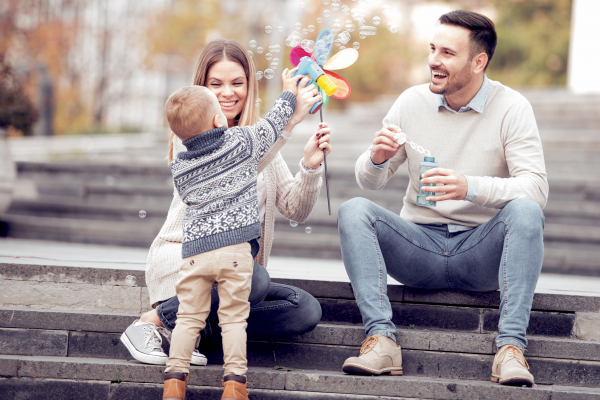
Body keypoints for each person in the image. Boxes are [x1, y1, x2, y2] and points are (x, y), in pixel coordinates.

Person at [338, 10, 547, 387]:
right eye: (433, 49)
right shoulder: (410, 102)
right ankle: (382, 340)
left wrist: (470, 187)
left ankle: (511, 349)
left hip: (478, 251)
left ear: (478, 61)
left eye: (448, 53)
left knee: (527, 213)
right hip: (418, 247)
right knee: (354, 210)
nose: (434, 60)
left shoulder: (512, 108)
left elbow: (535, 188)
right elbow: (370, 182)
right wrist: (376, 158)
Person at [120, 40, 330, 368]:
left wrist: (310, 166)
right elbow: (237, 165)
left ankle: (195, 332)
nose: (227, 93)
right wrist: (287, 123)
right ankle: (152, 322)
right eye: (215, 84)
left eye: (237, 83)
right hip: (185, 261)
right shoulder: (191, 136)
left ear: (250, 86)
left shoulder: (254, 138)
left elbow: (295, 209)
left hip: (232, 274)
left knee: (303, 308)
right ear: (200, 88)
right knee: (254, 277)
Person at [162, 67, 317, 399]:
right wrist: (289, 93)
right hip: (234, 253)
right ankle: (234, 386)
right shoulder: (241, 141)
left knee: (189, 318)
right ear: (219, 121)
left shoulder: (180, 166)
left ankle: (174, 383)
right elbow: (273, 123)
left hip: (194, 255)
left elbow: (191, 198)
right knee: (234, 320)